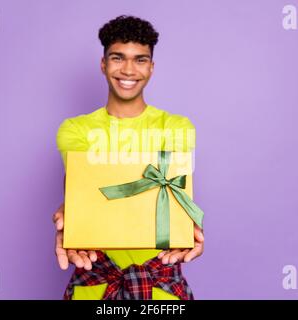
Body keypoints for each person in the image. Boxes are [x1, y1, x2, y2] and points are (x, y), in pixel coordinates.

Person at [52, 15, 204, 300]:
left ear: (152, 67)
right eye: (118, 58)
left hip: (161, 283)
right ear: (103, 63)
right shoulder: (75, 129)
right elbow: (83, 185)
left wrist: (189, 222)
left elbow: (173, 194)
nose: (129, 69)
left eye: (140, 59)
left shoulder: (176, 126)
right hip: (95, 280)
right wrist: (69, 209)